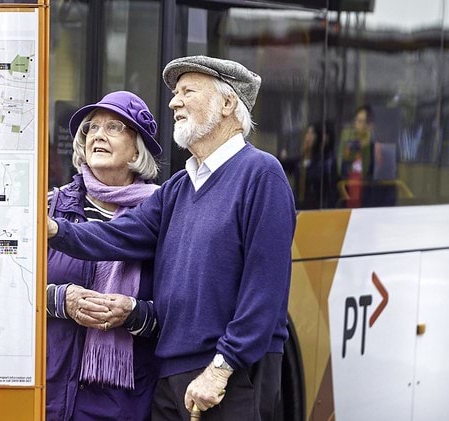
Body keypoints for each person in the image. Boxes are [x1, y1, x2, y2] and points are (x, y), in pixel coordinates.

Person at [48, 56, 296, 421]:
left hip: (228, 376)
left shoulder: (260, 173)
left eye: (187, 92)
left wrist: (221, 368)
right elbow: (118, 235)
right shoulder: (179, 186)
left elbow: (266, 289)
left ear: (227, 104)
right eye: (175, 94)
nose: (173, 102)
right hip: (171, 376)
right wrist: (53, 229)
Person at [46, 91, 162, 421]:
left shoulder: (164, 215)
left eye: (113, 127)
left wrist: (135, 313)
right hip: (51, 394)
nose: (97, 134)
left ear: (138, 145)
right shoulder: (51, 209)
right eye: (91, 128)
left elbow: (182, 314)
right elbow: (8, 293)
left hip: (123, 403)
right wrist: (59, 300)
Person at [283, 122, 337, 210]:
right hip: (298, 207)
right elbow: (286, 164)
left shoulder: (323, 161)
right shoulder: (301, 159)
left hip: (315, 209)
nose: (308, 137)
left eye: (312, 133)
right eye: (307, 133)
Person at [337, 104, 374, 208]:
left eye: (361, 121)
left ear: (369, 125)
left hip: (367, 203)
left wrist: (366, 146)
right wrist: (357, 146)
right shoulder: (350, 145)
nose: (357, 124)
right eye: (356, 120)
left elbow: (369, 172)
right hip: (347, 197)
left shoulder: (374, 148)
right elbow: (341, 169)